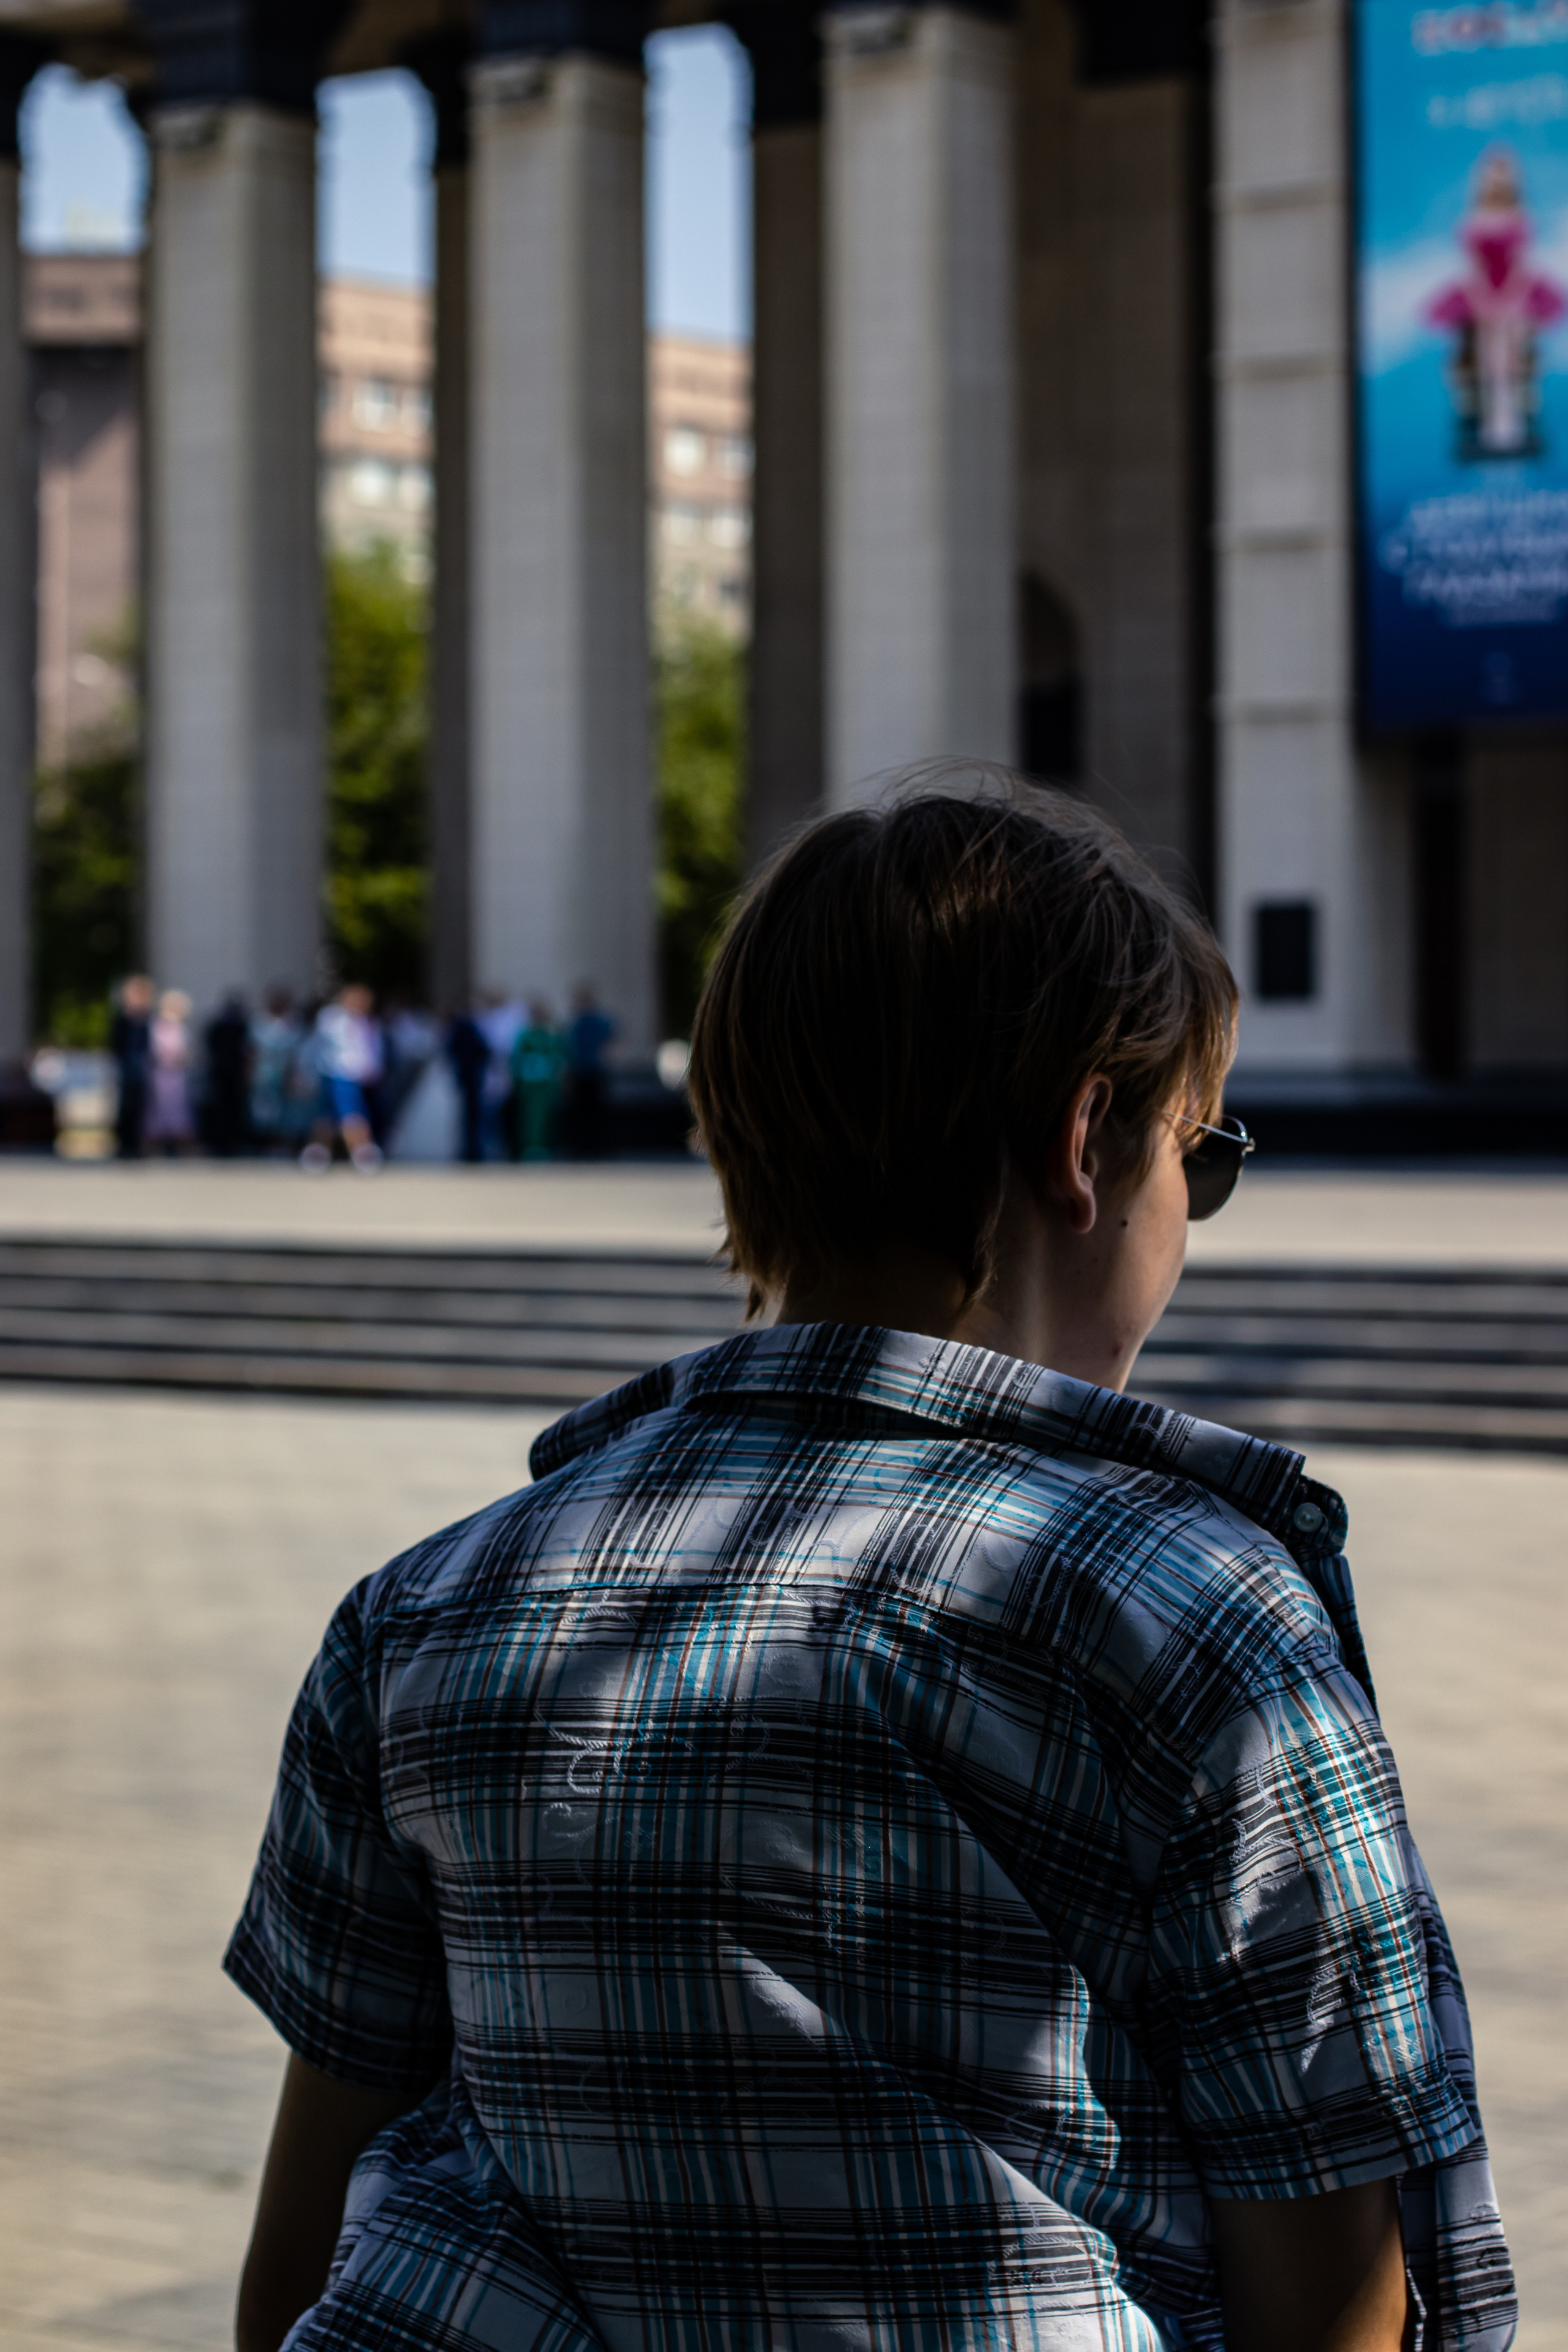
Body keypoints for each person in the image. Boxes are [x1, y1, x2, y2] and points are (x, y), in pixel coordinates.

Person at [225, 778, 1515, 2352]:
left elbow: (302, 2244)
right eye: (1205, 1152)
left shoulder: (422, 1610)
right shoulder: (1190, 1619)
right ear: (1080, 1142)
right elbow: (1332, 2286)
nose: (1196, 1209)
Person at [304, 984, 384, 1172]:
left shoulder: (367, 1022)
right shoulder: (331, 1018)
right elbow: (317, 1045)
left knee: (349, 1114)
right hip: (334, 1074)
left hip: (352, 1077)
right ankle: (351, 1152)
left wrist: (374, 1071)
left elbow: (372, 1051)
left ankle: (358, 1151)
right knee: (335, 1116)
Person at [562, 980, 615, 1158]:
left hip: (586, 1070)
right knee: (591, 1111)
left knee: (586, 1111)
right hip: (589, 1070)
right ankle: (592, 1146)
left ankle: (586, 1146)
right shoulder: (594, 1021)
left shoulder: (580, 1023)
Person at [510, 999, 566, 1161]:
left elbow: (559, 1058)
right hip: (529, 1083)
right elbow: (516, 1059)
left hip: (546, 1082)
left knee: (545, 1117)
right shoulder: (525, 1035)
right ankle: (529, 1147)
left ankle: (543, 1147)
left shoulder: (551, 1035)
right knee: (528, 1117)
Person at [141, 989, 197, 1154]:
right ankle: (154, 1144)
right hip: (161, 1073)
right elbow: (153, 1050)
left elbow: (187, 1052)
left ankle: (181, 1144)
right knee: (158, 1108)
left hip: (177, 1075)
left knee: (179, 1108)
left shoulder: (181, 1028)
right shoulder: (157, 1026)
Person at [109, 973, 154, 1158]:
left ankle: (137, 1144)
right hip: (127, 1067)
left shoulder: (147, 1019)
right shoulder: (122, 1019)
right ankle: (124, 1144)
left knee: (141, 1106)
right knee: (126, 1106)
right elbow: (116, 1044)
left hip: (143, 1068)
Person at [203, 990, 252, 1156]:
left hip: (231, 1073)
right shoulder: (224, 1026)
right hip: (222, 1073)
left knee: (234, 1109)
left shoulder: (241, 1026)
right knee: (221, 1109)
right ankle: (221, 1142)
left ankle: (232, 1141)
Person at [444, 1004, 489, 1165]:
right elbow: (485, 1051)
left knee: (467, 1116)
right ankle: (473, 1150)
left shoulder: (460, 1030)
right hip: (473, 1077)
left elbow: (451, 1051)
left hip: (465, 1077)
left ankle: (469, 1150)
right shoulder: (473, 1030)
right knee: (472, 1116)